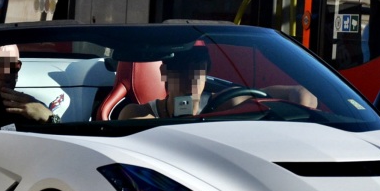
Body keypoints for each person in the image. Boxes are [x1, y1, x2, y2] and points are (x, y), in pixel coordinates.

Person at [118, 45, 316, 120]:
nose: (193, 78)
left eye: (199, 70)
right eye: (184, 70)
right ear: (165, 73)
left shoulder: (225, 103)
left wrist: (301, 119)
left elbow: (301, 93)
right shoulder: (140, 114)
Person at [0, 44, 67, 124]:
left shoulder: (31, 109)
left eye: (11, 66)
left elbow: (59, 134)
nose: (5, 73)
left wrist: (49, 118)